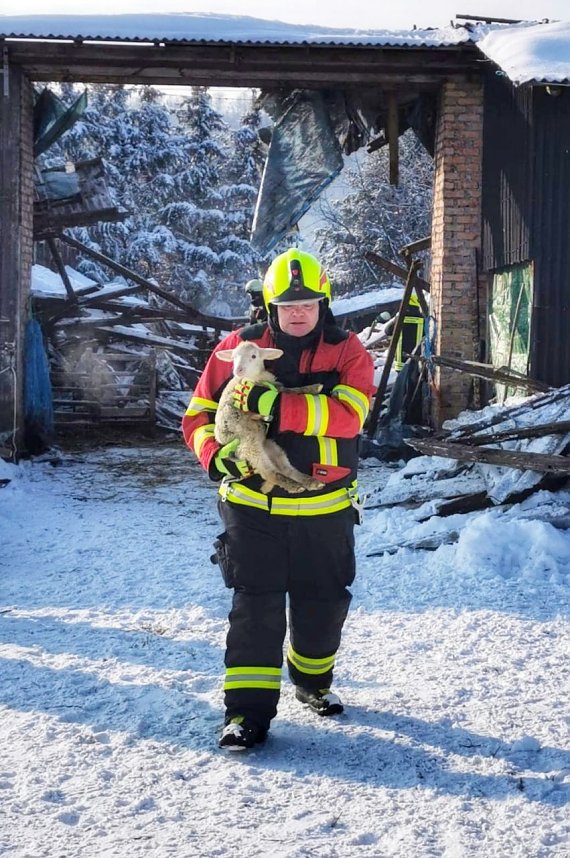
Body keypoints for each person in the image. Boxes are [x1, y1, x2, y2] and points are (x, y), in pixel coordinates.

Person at [182, 248, 375, 751]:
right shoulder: (236, 347)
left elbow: (349, 418)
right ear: (270, 306)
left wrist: (275, 403)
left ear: (323, 303)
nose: (297, 312)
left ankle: (312, 683)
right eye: (287, 305)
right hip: (251, 506)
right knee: (256, 607)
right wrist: (214, 458)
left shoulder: (349, 351)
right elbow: (197, 416)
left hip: (326, 508)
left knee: (323, 606)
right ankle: (245, 715)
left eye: (308, 303)